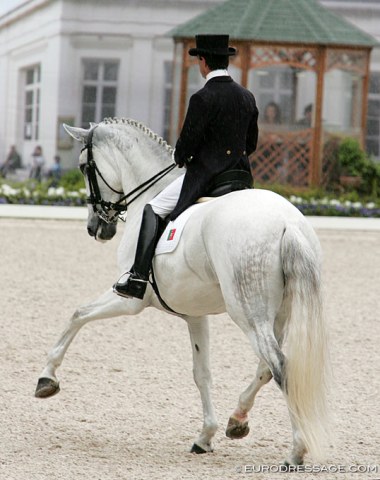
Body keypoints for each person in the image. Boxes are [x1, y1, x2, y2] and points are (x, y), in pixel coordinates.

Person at [113, 34, 259, 300]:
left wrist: (183, 157)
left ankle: (137, 277)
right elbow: (252, 144)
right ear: (225, 61)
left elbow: (185, 147)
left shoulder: (203, 98)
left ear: (203, 62)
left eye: (199, 61)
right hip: (240, 177)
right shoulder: (247, 96)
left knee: (153, 208)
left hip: (209, 178)